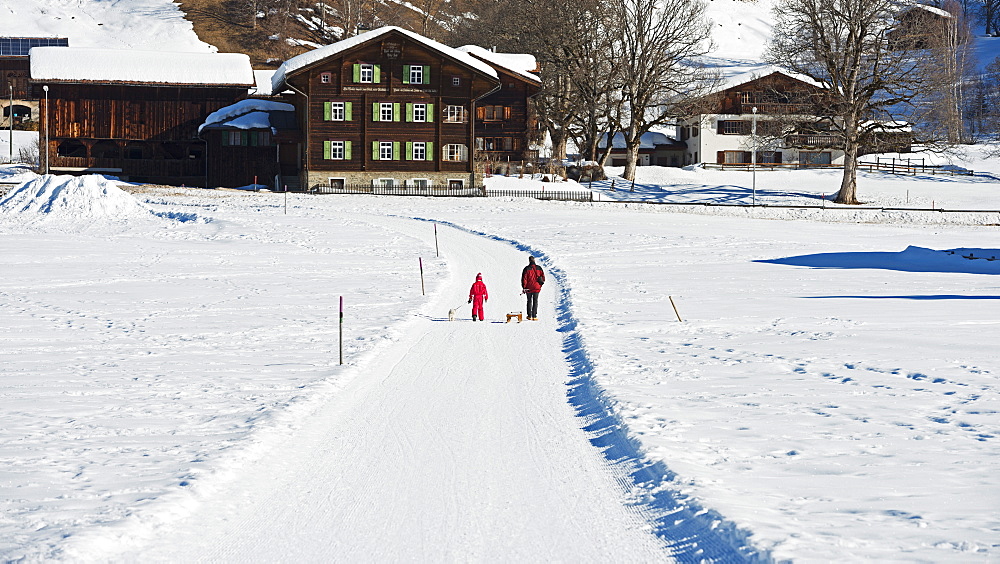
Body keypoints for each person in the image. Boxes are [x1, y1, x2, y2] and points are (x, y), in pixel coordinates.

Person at [521, 256, 545, 321]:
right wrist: (540, 285)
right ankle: (534, 316)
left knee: (529, 301)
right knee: (535, 301)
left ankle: (529, 316)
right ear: (534, 260)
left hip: (528, 288)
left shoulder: (526, 268)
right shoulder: (539, 268)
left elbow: (524, 279)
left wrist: (524, 287)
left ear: (529, 261)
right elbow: (543, 278)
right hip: (537, 287)